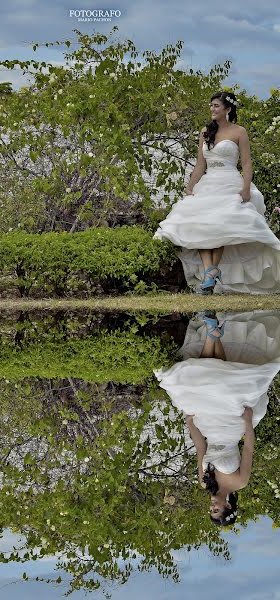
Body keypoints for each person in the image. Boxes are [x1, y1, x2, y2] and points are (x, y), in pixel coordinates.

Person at [154, 310, 280, 526]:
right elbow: (249, 447)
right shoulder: (240, 481)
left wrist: (190, 423)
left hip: (208, 424)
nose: (211, 507)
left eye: (210, 510)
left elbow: (200, 448)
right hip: (232, 425)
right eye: (216, 510)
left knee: (206, 377)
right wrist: (248, 421)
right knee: (220, 381)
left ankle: (213, 334)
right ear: (228, 506)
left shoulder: (205, 483)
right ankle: (213, 333)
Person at [153, 90, 280, 294]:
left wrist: (246, 188)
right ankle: (210, 272)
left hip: (230, 184)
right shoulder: (205, 132)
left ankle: (209, 276)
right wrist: (190, 187)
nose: (212, 109)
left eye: (216, 106)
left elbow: (247, 164)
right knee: (201, 224)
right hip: (208, 184)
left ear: (228, 109)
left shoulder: (240, 132)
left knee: (222, 225)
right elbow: (199, 165)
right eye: (211, 105)